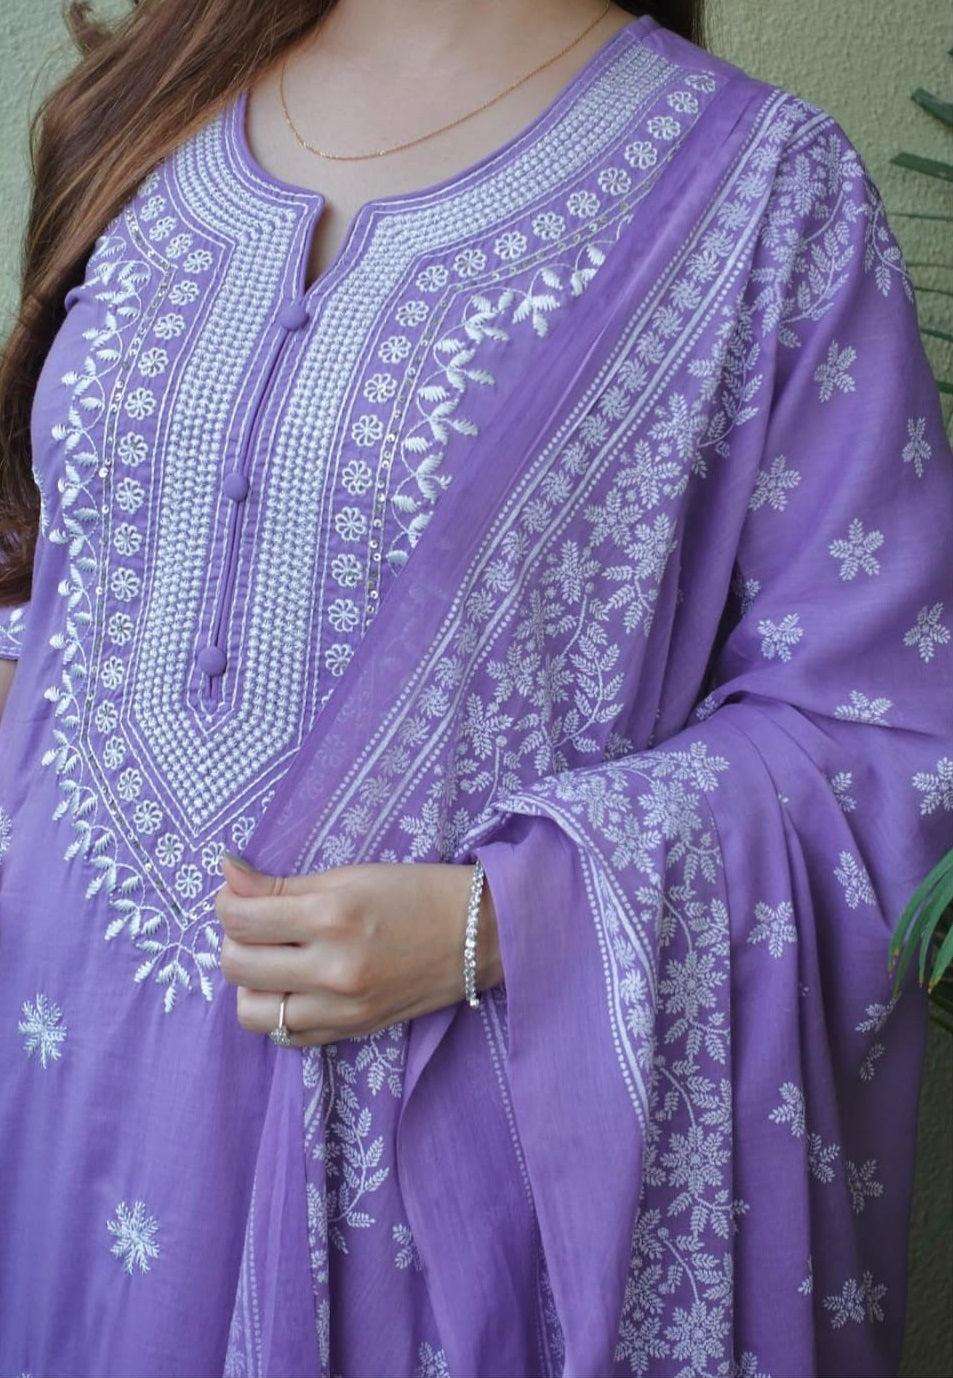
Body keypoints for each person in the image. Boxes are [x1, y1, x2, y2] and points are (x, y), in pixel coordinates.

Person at [0, 2, 950, 1375]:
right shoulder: (151, 99)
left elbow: (887, 739)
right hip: (56, 1088)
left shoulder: (761, 193)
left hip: (429, 1171)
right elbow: (68, 567)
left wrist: (513, 917)